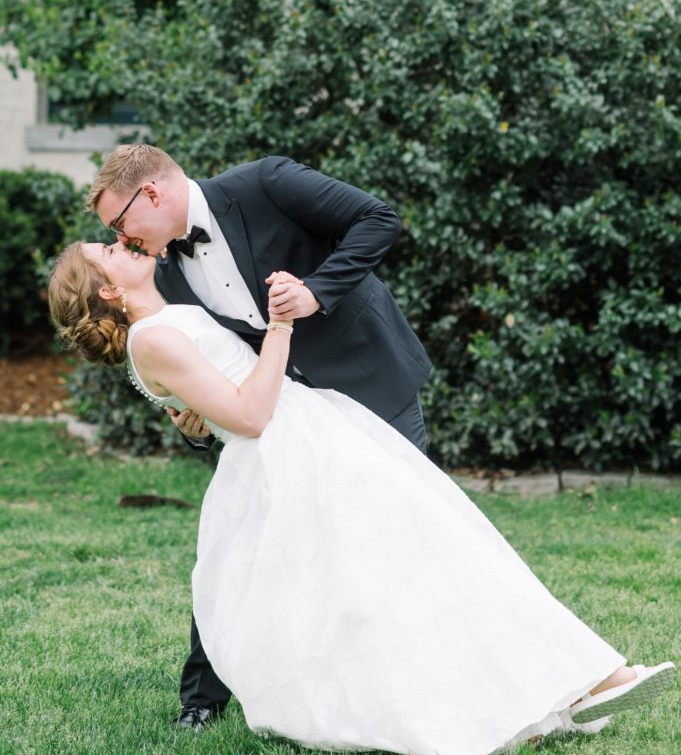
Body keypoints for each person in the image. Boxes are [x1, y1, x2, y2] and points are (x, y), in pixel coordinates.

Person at [48, 240, 675, 755]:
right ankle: (569, 683)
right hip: (289, 455)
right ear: (108, 289)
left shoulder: (168, 314)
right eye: (108, 249)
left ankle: (571, 682)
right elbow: (252, 415)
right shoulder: (150, 338)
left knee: (431, 564)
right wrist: (282, 328)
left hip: (317, 438)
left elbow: (219, 399)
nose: (122, 244)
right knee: (418, 570)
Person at [86, 144, 432, 729]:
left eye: (119, 225)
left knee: (411, 533)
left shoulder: (264, 182)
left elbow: (378, 219)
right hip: (279, 421)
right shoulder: (162, 274)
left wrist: (318, 290)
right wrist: (191, 422)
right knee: (241, 543)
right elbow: (197, 369)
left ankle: (418, 678)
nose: (124, 240)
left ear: (150, 194)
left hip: (369, 380)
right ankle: (202, 700)